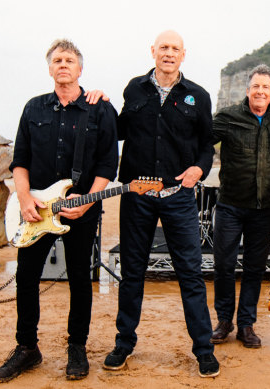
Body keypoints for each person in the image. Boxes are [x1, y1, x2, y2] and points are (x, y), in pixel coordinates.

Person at [0, 39, 118, 383]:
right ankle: (27, 349)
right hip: (35, 210)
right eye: (57, 60)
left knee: (80, 279)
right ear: (50, 69)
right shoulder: (33, 108)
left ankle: (77, 348)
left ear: (80, 69)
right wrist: (24, 199)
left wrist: (89, 200)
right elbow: (19, 161)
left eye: (70, 60)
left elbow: (109, 162)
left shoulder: (100, 109)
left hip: (82, 209)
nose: (63, 64)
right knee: (27, 279)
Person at [102, 30, 219, 378]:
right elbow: (118, 129)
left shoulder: (197, 96)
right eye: (163, 48)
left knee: (191, 275)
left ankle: (203, 349)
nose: (168, 53)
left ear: (183, 55)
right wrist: (99, 103)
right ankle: (124, 343)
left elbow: (206, 146)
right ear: (153, 52)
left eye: (175, 49)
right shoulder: (134, 88)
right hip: (137, 197)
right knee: (132, 273)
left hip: (178, 198)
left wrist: (199, 168)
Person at [210, 64, 270, 348]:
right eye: (255, 86)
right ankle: (223, 320)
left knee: (255, 268)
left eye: (265, 87)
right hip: (230, 205)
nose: (260, 91)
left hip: (264, 208)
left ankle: (246, 325)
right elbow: (200, 140)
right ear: (248, 90)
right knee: (224, 265)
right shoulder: (228, 117)